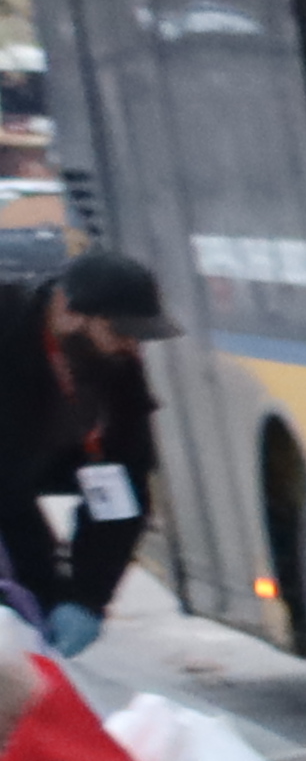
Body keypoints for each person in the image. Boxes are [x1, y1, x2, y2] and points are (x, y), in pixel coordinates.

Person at [0, 249, 174, 660]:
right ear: (67, 311)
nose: (130, 346)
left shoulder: (115, 368)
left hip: (17, 491)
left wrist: (86, 598)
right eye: (118, 331)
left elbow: (122, 489)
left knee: (36, 622)